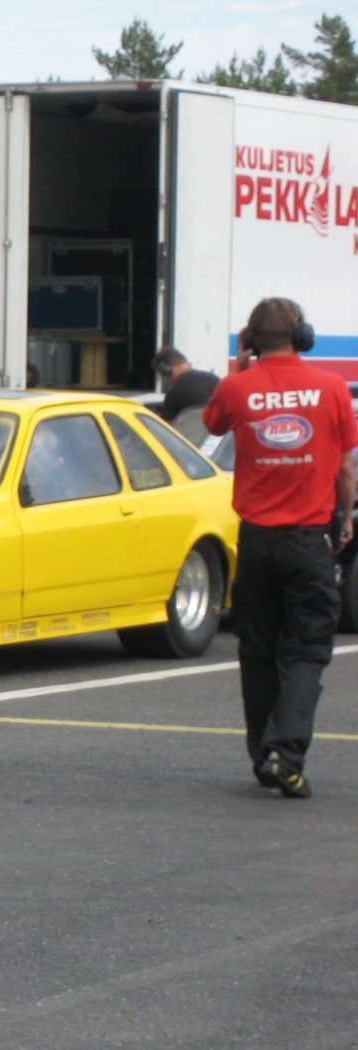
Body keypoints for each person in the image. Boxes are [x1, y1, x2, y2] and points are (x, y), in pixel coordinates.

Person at [202, 297, 357, 798]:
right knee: (306, 649)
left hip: (256, 541)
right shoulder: (332, 388)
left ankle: (261, 752)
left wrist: (241, 370)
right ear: (303, 335)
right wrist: (346, 517)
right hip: (308, 539)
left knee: (258, 648)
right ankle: (285, 754)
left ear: (250, 339)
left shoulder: (237, 387)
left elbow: (213, 425)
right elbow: (347, 469)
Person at [153, 347, 220, 422]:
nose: (163, 379)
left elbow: (166, 427)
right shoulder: (214, 379)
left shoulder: (175, 392)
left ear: (166, 370)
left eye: (161, 375)